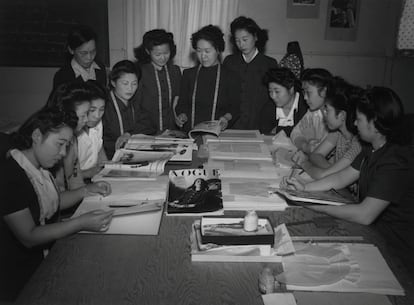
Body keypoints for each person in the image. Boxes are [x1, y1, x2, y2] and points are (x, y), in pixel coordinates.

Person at [281, 87, 414, 274]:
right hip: (374, 235)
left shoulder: (396, 161)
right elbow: (342, 178)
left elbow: (365, 214)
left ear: (374, 124)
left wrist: (313, 205)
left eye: (359, 119)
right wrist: (304, 188)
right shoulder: (370, 148)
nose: (354, 123)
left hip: (395, 251)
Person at [0, 107, 113, 301]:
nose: (63, 153)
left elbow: (51, 202)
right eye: (60, 144)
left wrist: (85, 190)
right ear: (37, 135)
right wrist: (80, 222)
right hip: (21, 276)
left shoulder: (39, 168)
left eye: (67, 146)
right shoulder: (11, 176)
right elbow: (29, 236)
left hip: (46, 258)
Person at [292, 78, 363, 179]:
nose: (324, 114)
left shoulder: (357, 144)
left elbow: (322, 174)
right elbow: (315, 155)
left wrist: (304, 163)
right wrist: (333, 170)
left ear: (342, 115)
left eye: (327, 110)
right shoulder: (337, 133)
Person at [175, 25, 240, 131]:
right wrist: (182, 116)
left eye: (207, 51)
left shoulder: (230, 76)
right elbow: (182, 105)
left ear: (218, 50)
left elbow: (235, 108)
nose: (203, 56)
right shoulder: (188, 75)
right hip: (191, 134)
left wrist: (226, 118)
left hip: (218, 135)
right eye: (199, 51)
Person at [223, 16, 278, 129]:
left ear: (256, 37)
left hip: (260, 123)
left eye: (245, 39)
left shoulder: (269, 64)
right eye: (237, 40)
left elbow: (273, 98)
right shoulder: (230, 62)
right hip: (233, 123)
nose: (241, 44)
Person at [103, 60, 156, 158]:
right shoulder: (104, 106)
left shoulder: (135, 102)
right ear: (113, 83)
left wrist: (129, 134)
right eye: (125, 83)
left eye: (134, 84)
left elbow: (149, 124)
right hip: (110, 158)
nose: (130, 88)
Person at [134, 29, 182, 132]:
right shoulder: (140, 72)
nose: (163, 58)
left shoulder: (175, 71)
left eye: (166, 53)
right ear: (148, 51)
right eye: (157, 54)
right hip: (146, 131)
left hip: (171, 130)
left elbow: (177, 101)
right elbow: (136, 105)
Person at [52, 24, 107, 91]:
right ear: (71, 50)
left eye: (93, 51)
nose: (89, 57)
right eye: (83, 53)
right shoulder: (63, 76)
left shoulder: (100, 68)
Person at [290, 68, 332, 154]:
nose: (305, 97)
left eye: (308, 93)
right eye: (304, 92)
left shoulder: (334, 117)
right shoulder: (313, 112)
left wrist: (310, 139)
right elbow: (295, 133)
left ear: (324, 91)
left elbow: (322, 152)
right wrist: (306, 146)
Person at [259, 67, 308, 136]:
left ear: (291, 89)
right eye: (270, 91)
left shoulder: (306, 106)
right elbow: (265, 133)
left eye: (277, 91)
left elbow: (306, 132)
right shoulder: (268, 108)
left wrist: (278, 130)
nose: (273, 96)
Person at [77, 81, 108, 179]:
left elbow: (99, 148)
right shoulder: (74, 132)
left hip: (95, 176)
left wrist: (107, 168)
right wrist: (88, 173)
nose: (97, 115)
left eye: (102, 109)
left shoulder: (97, 123)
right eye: (92, 110)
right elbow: (68, 177)